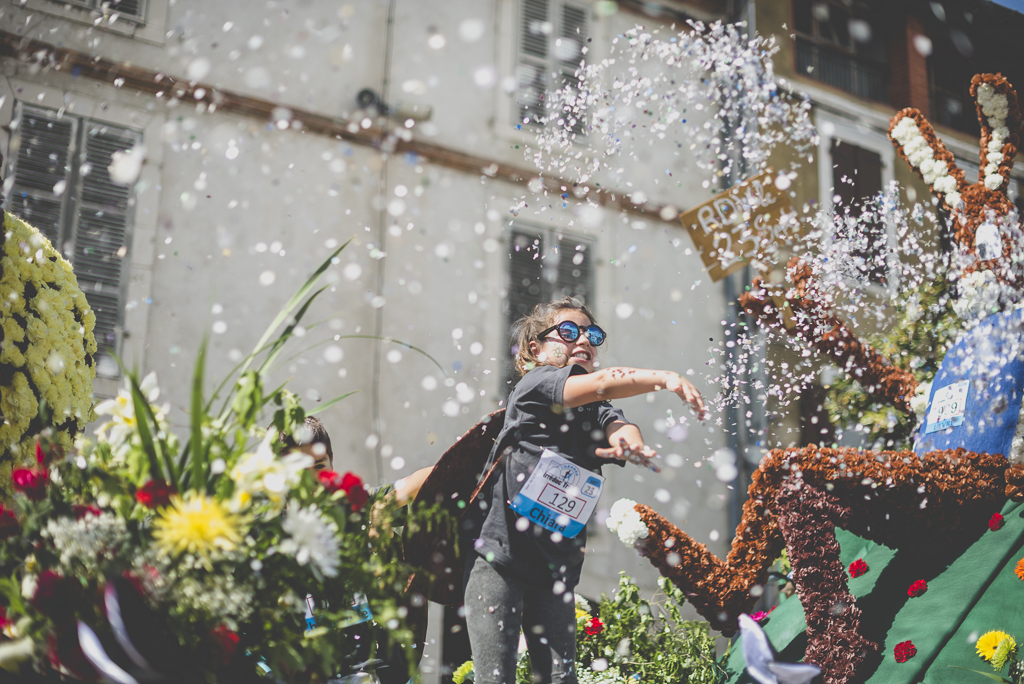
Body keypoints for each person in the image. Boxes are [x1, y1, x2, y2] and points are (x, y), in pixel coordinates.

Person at [464, 297, 705, 684]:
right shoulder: (536, 384)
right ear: (535, 349)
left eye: (592, 334)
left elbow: (617, 422)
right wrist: (664, 378)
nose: (583, 341)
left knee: (561, 679)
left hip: (555, 570)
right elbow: (601, 382)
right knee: (495, 678)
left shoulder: (595, 406)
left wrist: (632, 443)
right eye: (568, 331)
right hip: (499, 559)